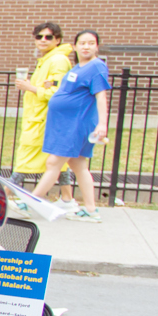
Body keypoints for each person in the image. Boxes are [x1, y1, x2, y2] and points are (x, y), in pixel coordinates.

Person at [40, 29, 111, 220]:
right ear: (75, 46)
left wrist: (102, 124)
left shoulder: (97, 67)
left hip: (77, 124)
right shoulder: (78, 67)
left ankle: (32, 202)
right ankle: (90, 210)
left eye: (91, 43)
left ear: (97, 46)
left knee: (53, 162)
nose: (86, 46)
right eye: (82, 43)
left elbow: (101, 96)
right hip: (68, 123)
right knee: (78, 165)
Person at [12, 22, 73, 206]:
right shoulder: (47, 60)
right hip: (39, 117)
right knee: (58, 160)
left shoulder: (58, 61)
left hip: (45, 119)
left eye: (48, 37)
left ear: (58, 40)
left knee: (25, 157)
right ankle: (67, 199)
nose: (43, 40)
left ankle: (5, 193)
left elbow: (56, 92)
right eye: (39, 36)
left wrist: (30, 87)